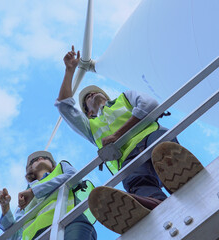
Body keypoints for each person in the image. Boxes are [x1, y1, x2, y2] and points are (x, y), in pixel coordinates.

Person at [55, 46, 204, 234]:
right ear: (88, 112)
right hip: (127, 161)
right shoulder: (90, 128)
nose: (91, 95)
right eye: (87, 99)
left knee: (163, 152)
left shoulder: (125, 98)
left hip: (153, 139)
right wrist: (69, 71)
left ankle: (187, 183)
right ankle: (157, 206)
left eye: (94, 92)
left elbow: (149, 105)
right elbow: (64, 107)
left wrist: (118, 135)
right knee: (138, 184)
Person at [0, 150, 97, 240]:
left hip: (70, 222)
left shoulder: (61, 168)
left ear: (53, 165)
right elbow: (15, 235)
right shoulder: (24, 196)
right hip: (36, 236)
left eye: (45, 158)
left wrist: (34, 192)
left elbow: (74, 176)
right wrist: (5, 207)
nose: (40, 158)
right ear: (30, 169)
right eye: (34, 160)